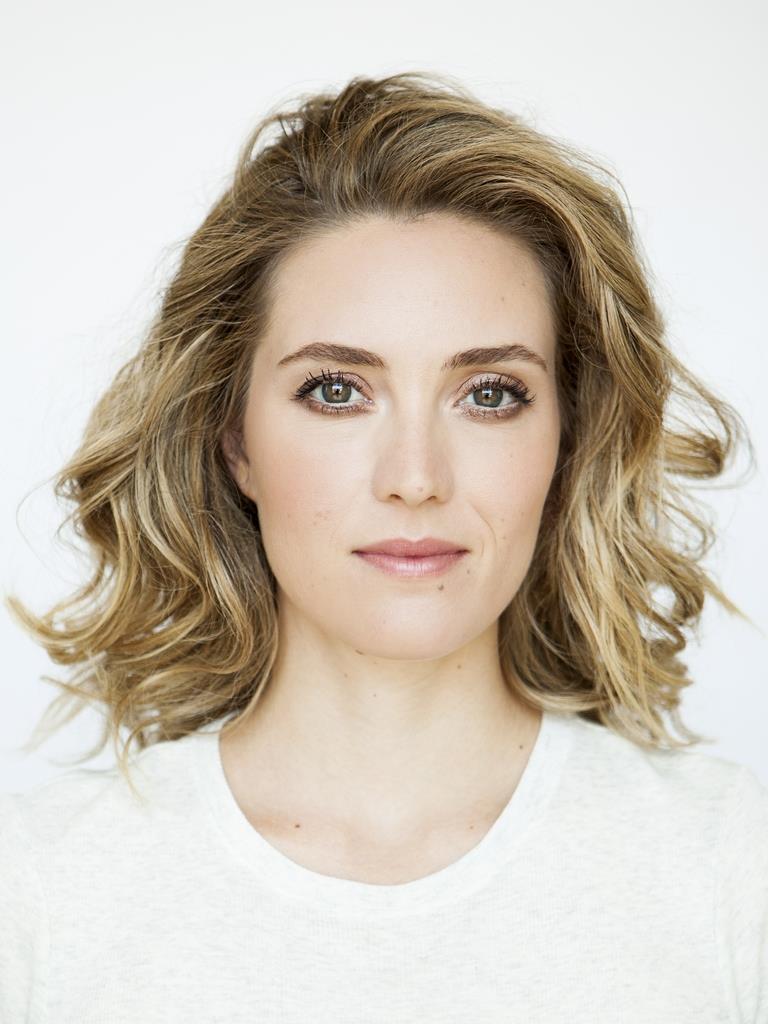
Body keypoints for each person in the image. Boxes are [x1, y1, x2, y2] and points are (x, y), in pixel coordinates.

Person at [1, 71, 766, 1022]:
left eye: (490, 394)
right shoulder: (38, 893)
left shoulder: (728, 867)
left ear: (568, 443)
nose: (415, 476)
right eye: (336, 390)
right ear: (235, 441)